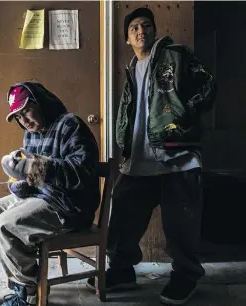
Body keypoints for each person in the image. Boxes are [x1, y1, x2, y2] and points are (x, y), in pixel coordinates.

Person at [86, 7, 216, 305]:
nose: (141, 30)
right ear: (127, 39)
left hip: (178, 158)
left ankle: (185, 275)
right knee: (122, 219)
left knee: (180, 226)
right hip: (139, 159)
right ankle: (121, 271)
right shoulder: (132, 68)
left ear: (154, 31)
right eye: (134, 28)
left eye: (146, 25)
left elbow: (208, 86)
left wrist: (185, 113)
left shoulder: (176, 55)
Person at [0, 82, 100, 306]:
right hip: (42, 198)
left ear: (40, 102)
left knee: (6, 224)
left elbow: (83, 173)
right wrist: (19, 181)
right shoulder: (30, 136)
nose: (25, 120)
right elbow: (32, 180)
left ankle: (27, 295)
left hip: (69, 206)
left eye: (27, 111)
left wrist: (37, 168)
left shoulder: (70, 125)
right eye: (19, 117)